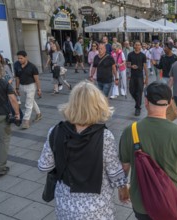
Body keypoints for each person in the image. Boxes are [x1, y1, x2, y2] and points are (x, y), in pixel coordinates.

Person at [38, 80, 129, 219]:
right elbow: (114, 172)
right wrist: (123, 189)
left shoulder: (55, 131)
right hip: (97, 207)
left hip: (66, 205)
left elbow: (44, 166)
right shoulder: (105, 136)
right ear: (98, 105)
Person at [119, 81, 177, 219]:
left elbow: (124, 168)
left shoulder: (130, 131)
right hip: (170, 202)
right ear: (169, 103)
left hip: (141, 203)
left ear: (146, 102)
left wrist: (123, 190)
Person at [0, 60, 20, 176]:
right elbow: (13, 100)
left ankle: (0, 157)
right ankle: (1, 167)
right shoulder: (4, 83)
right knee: (4, 141)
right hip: (2, 115)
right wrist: (17, 114)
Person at [14, 51, 42, 129]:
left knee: (28, 104)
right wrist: (17, 88)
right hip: (22, 86)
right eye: (18, 58)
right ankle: (39, 114)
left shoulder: (32, 67)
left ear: (26, 57)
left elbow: (37, 79)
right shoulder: (16, 65)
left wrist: (39, 89)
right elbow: (17, 77)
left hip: (31, 86)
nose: (19, 60)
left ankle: (26, 121)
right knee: (31, 100)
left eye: (21, 58)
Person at [127, 41, 148, 116]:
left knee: (139, 92)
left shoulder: (143, 55)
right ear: (134, 46)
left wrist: (147, 78)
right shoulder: (130, 54)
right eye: (136, 45)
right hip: (133, 76)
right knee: (131, 90)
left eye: (139, 45)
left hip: (140, 76)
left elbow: (145, 67)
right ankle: (138, 102)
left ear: (141, 46)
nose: (138, 46)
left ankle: (138, 108)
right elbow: (128, 64)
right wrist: (131, 66)